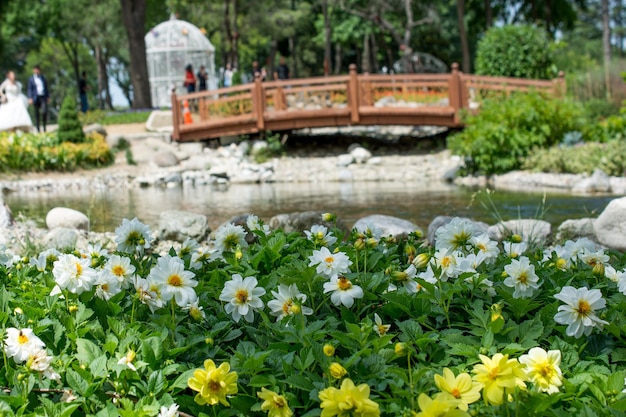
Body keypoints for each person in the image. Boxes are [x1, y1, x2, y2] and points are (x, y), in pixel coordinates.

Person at [27, 65, 49, 133]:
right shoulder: (31, 79)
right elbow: (30, 89)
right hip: (35, 97)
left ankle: (44, 127)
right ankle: (38, 129)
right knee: (37, 114)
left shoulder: (43, 78)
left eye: (38, 69)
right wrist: (30, 97)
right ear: (33, 70)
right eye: (35, 69)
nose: (37, 71)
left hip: (43, 96)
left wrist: (48, 96)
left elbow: (46, 88)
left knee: (44, 111)